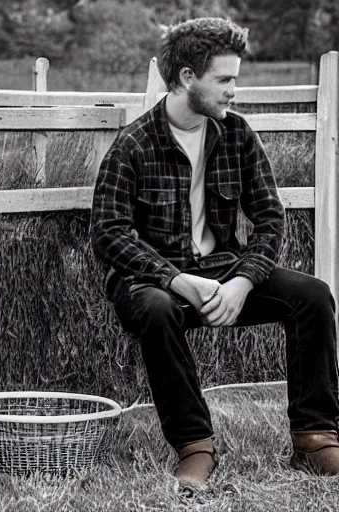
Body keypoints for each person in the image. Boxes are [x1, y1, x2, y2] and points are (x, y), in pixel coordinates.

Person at [91, 17, 339, 486]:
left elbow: (270, 219)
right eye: (224, 79)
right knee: (159, 308)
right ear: (188, 77)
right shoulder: (133, 146)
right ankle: (195, 446)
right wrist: (177, 279)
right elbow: (108, 233)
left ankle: (315, 439)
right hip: (152, 283)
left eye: (234, 80)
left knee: (313, 295)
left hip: (225, 273)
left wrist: (242, 282)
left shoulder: (238, 136)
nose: (233, 91)